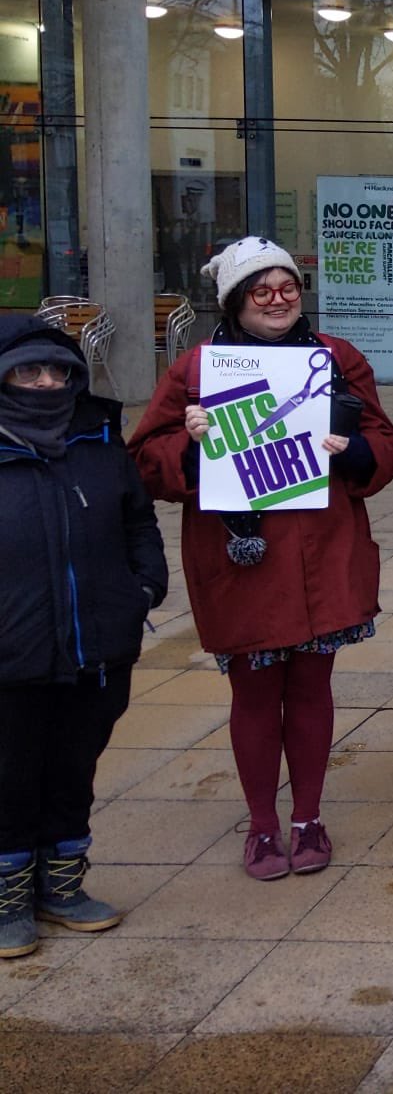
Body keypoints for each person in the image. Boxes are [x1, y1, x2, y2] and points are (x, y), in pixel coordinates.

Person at [131, 236, 393, 880]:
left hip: (323, 549)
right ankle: (261, 826)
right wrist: (193, 448)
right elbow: (146, 457)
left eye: (288, 288)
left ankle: (307, 817)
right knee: (253, 695)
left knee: (312, 688)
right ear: (235, 302)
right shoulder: (197, 369)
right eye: (262, 291)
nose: (278, 301)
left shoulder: (337, 358)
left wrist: (354, 452)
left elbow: (384, 442)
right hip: (240, 557)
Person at [0, 319, 167, 958]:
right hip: (14, 653)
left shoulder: (97, 442)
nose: (47, 383)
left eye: (58, 372)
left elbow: (137, 519)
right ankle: (10, 894)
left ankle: (62, 884)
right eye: (29, 372)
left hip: (97, 644)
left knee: (74, 767)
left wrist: (143, 587)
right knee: (12, 774)